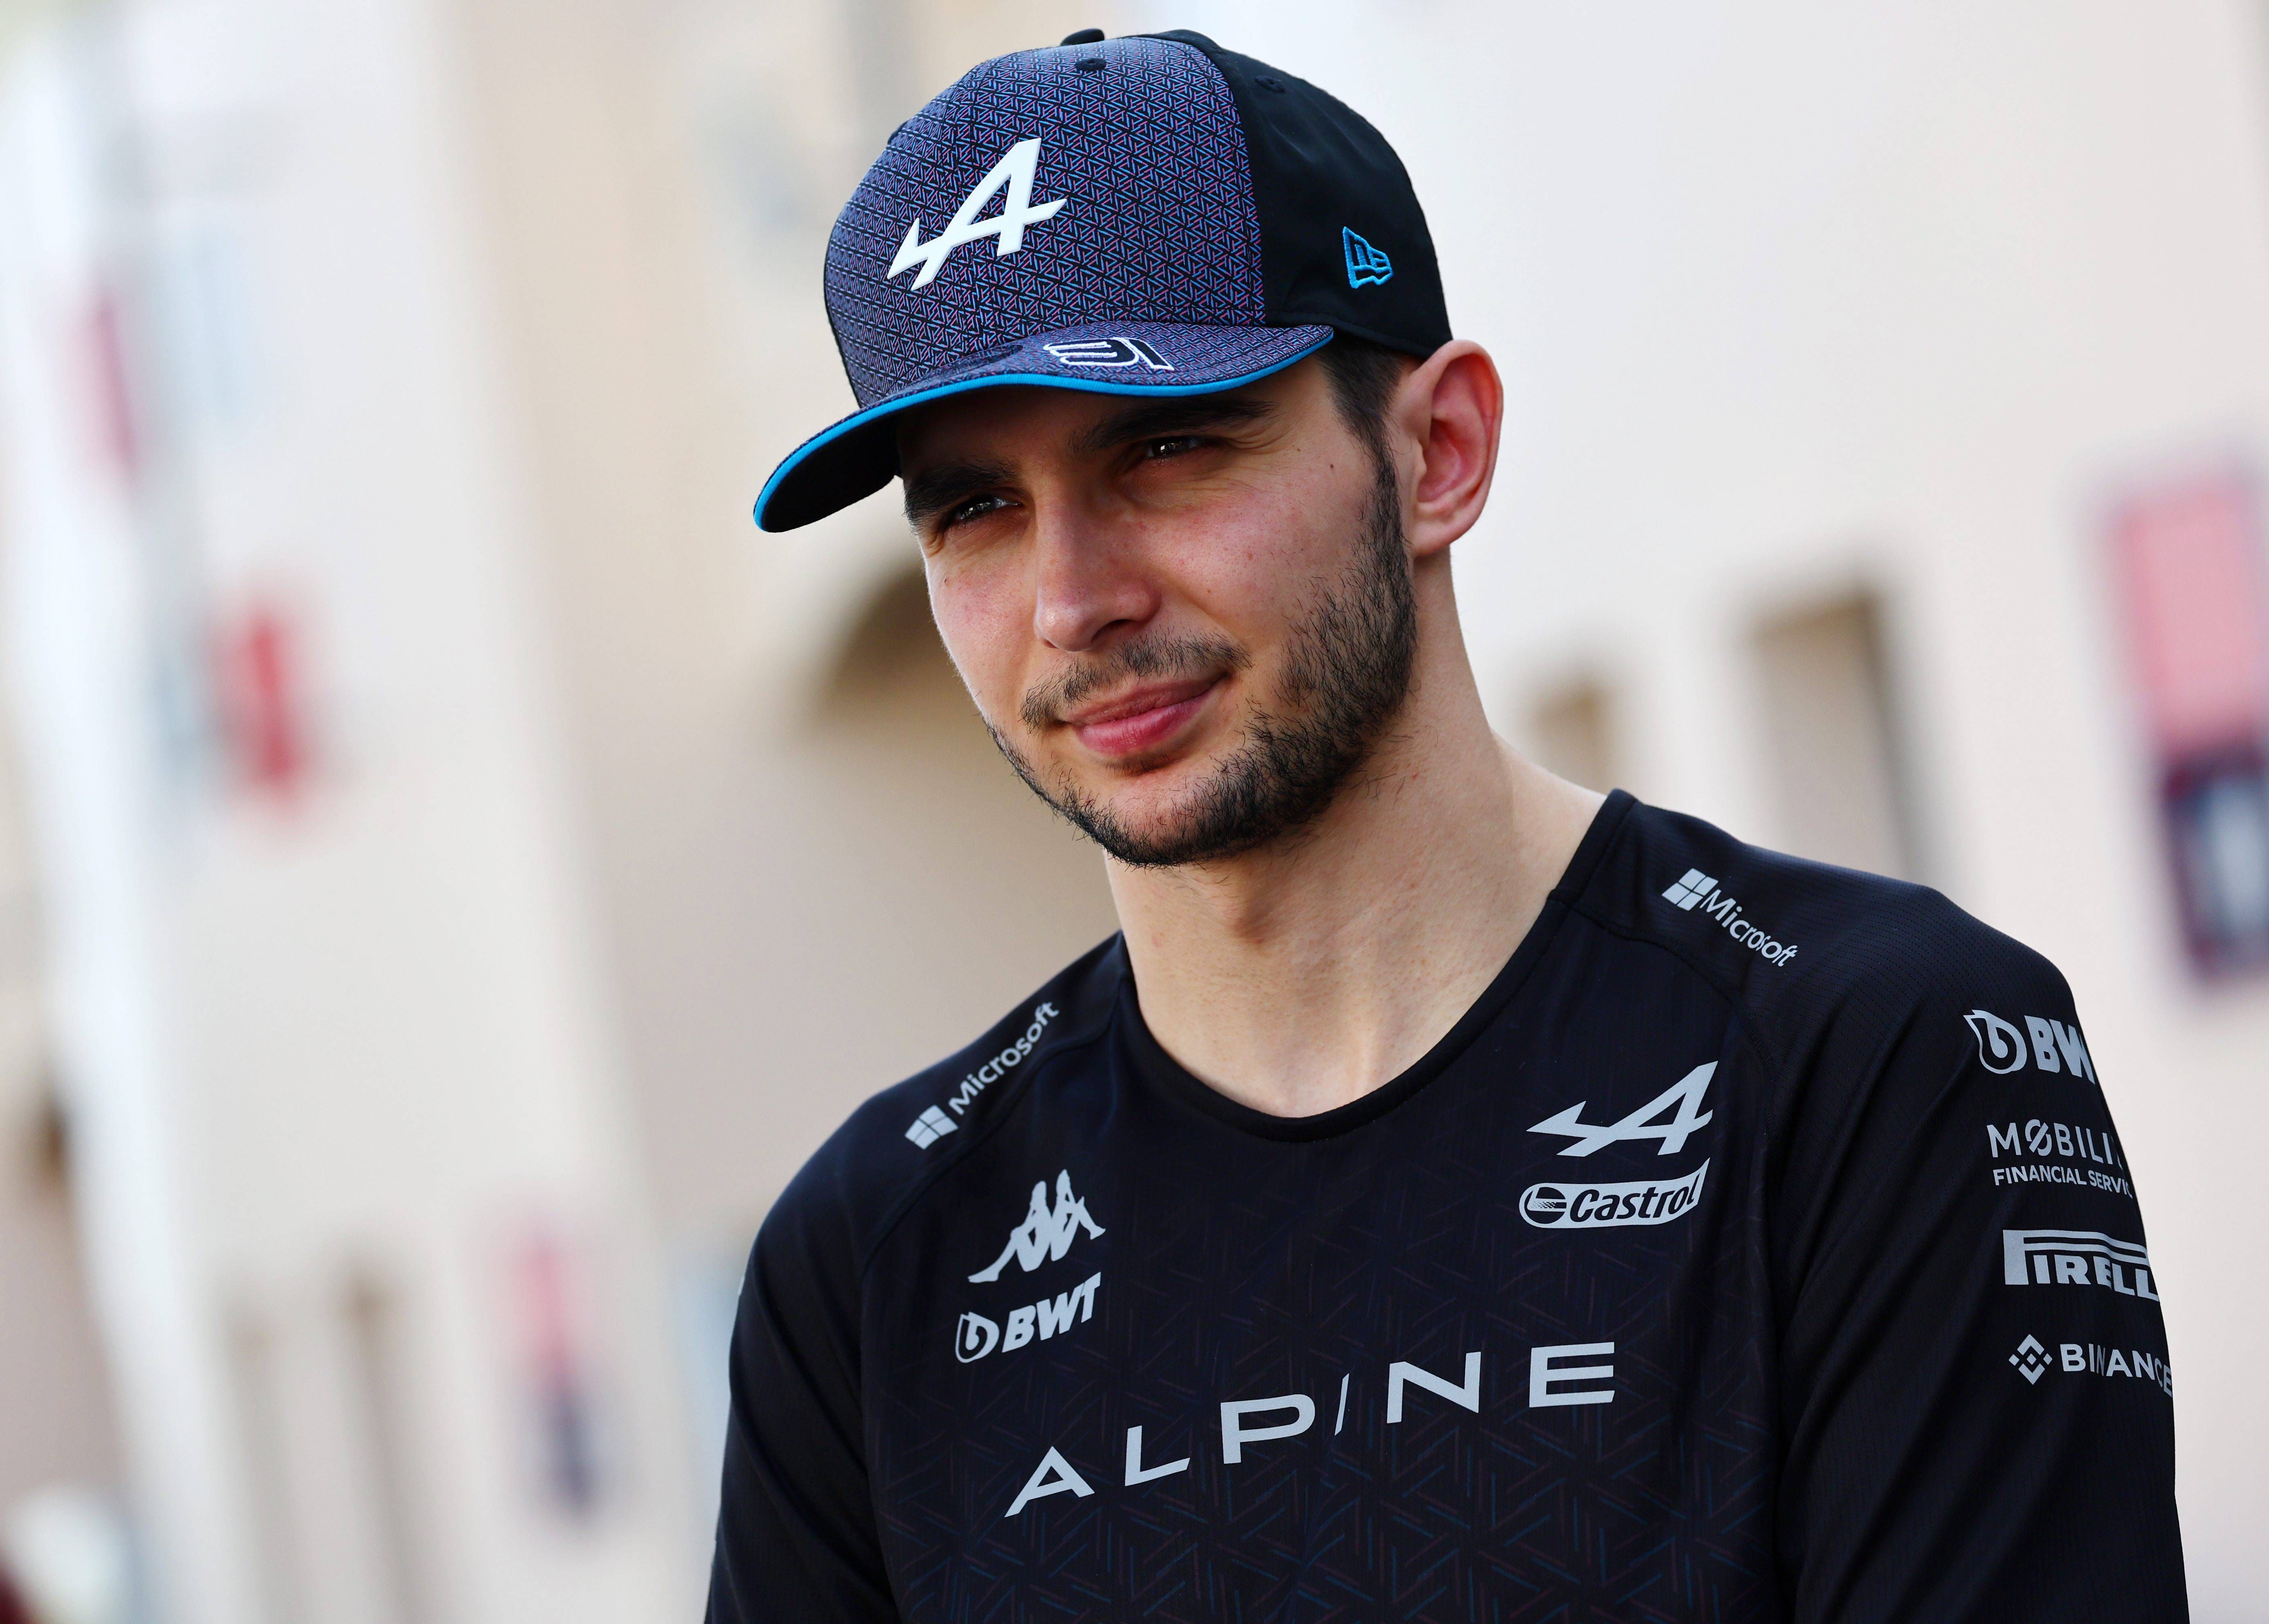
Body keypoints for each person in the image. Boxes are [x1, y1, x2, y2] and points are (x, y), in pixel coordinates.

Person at [711, 27, 2187, 1623]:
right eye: (974, 507)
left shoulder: (1865, 1058)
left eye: (1169, 446)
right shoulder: (876, 1258)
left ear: (1439, 451)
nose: (1073, 601)